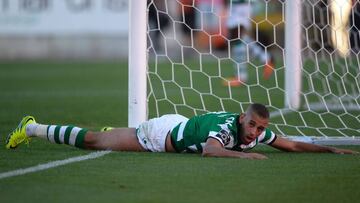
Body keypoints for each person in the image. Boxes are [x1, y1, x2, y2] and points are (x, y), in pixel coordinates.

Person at [5, 103, 358, 159]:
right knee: (95, 141)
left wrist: (331, 149)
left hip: (179, 125)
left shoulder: (256, 134)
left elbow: (292, 145)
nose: (255, 133)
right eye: (251, 125)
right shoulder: (226, 129)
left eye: (260, 128)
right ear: (240, 118)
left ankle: (121, 131)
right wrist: (246, 159)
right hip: (161, 135)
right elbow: (211, 151)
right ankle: (32, 127)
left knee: (108, 136)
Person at [224, 0, 274, 86]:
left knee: (237, 35)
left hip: (242, 5)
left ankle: (241, 76)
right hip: (235, 5)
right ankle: (266, 58)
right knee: (237, 37)